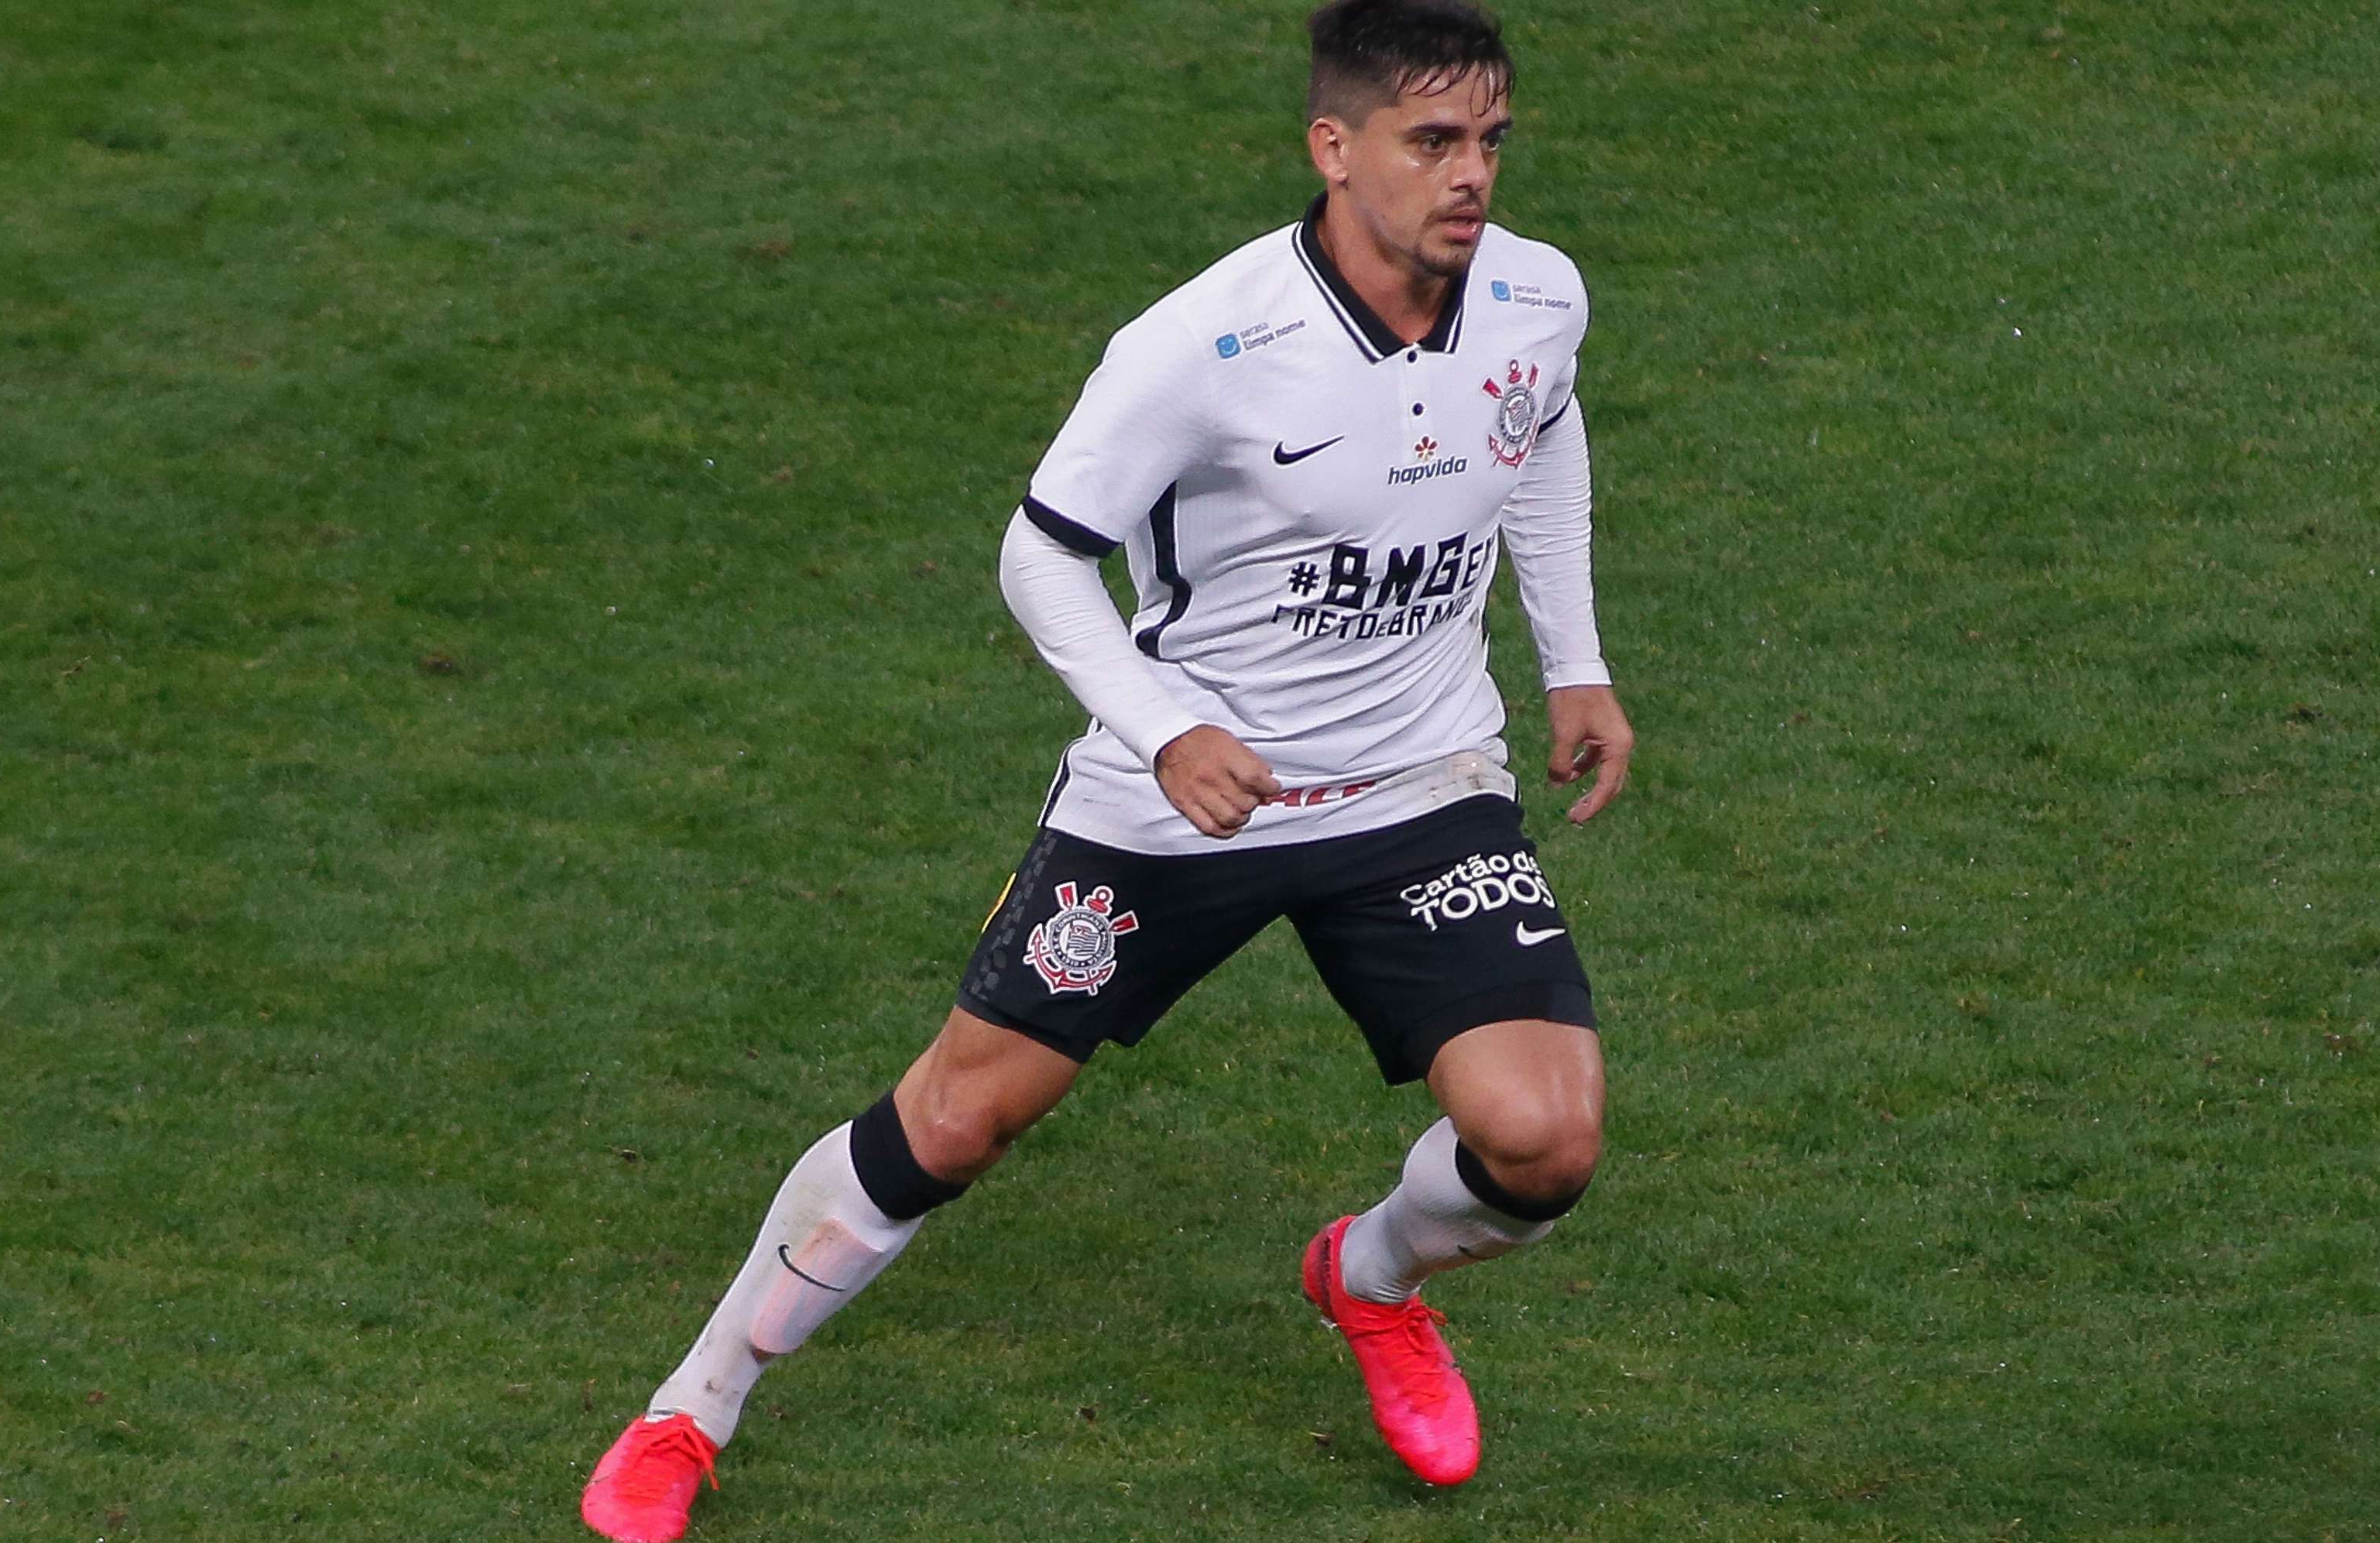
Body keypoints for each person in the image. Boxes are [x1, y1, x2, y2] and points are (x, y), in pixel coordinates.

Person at [581, 2, 1631, 1536]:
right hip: (1179, 803)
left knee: (1543, 1141)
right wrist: (1165, 727)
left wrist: (1574, 656)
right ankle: (693, 1406)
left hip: (1417, 782)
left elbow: (1534, 429)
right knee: (952, 1118)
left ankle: (1368, 1277)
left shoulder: (1535, 295)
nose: (1467, 175)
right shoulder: (1204, 344)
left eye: (1485, 140)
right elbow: (1039, 557)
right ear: (1332, 150)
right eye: (1429, 142)